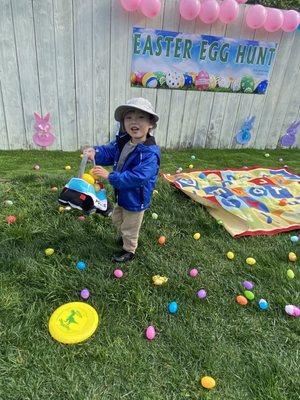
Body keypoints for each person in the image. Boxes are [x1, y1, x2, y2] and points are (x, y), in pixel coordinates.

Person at [84, 97, 160, 263]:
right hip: (122, 192)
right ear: (123, 123)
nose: (134, 122)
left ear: (150, 124)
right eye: (129, 117)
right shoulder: (124, 141)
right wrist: (95, 152)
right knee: (117, 218)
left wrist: (109, 176)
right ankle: (125, 237)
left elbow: (138, 177)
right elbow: (109, 152)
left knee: (130, 227)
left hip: (136, 197)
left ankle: (129, 250)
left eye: (141, 117)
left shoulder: (149, 153)